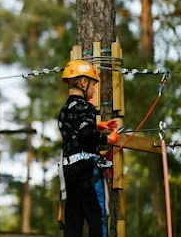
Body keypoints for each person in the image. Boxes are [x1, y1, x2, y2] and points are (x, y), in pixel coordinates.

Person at [58, 60, 120, 237]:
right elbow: (85, 134)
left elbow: (74, 130)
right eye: (93, 85)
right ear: (84, 83)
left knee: (74, 218)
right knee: (97, 216)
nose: (93, 92)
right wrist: (109, 138)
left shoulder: (64, 110)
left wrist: (98, 125)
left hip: (69, 170)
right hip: (87, 169)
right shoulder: (87, 107)